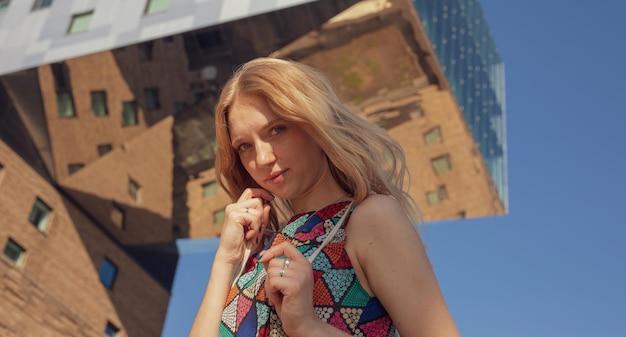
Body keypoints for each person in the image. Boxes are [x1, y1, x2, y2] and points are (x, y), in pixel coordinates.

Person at [189, 57, 460, 337]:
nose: (262, 158)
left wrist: (308, 327)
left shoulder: (370, 218)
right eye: (244, 146)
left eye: (277, 129)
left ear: (313, 122)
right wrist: (225, 261)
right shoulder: (257, 257)